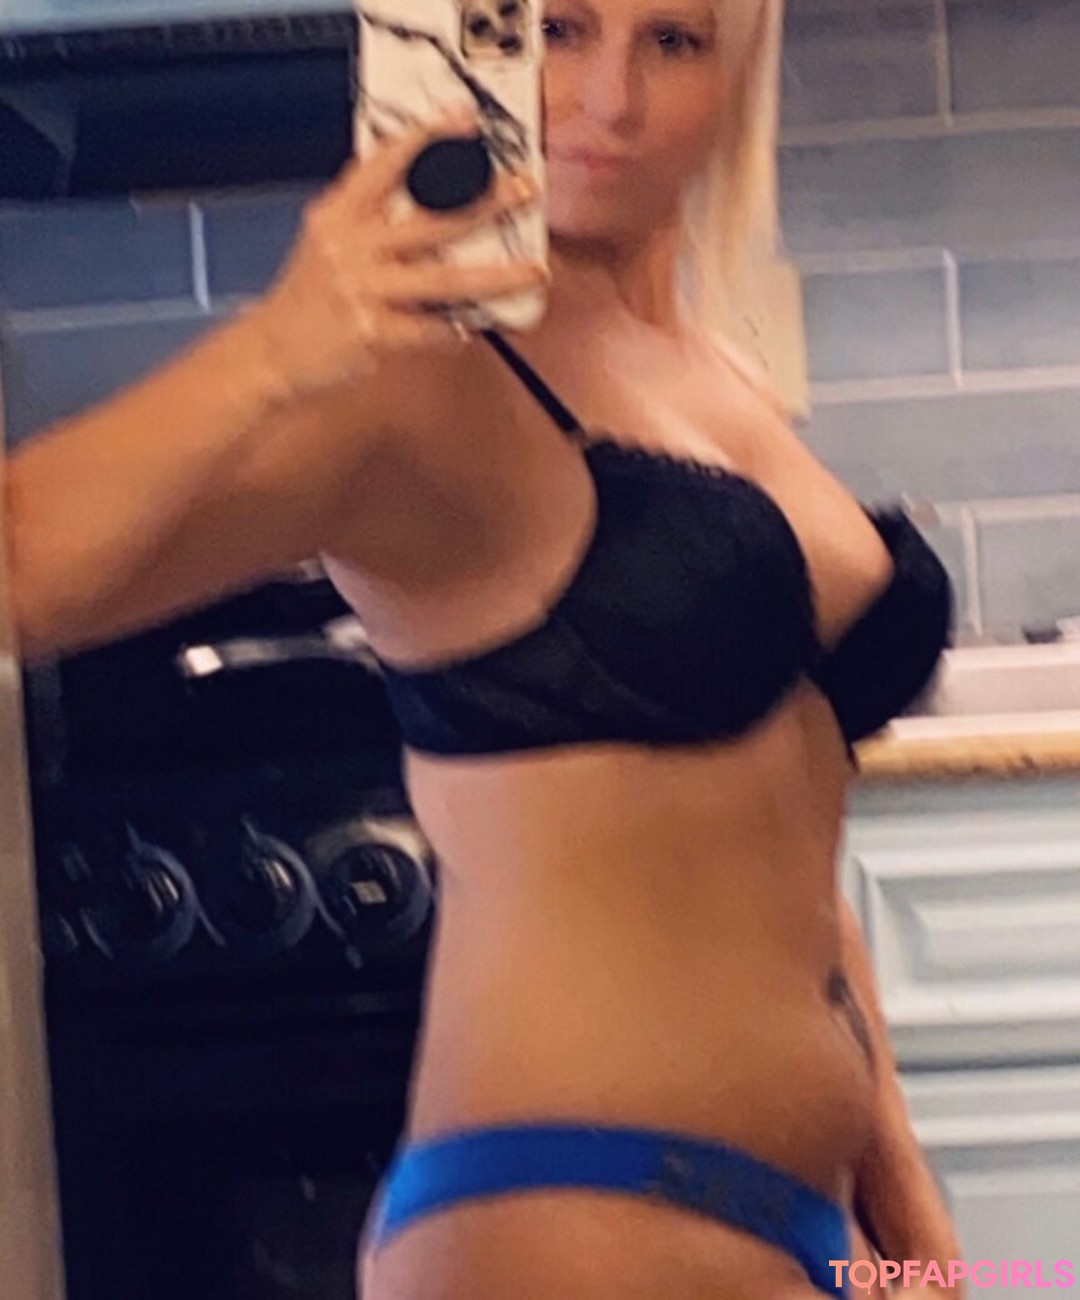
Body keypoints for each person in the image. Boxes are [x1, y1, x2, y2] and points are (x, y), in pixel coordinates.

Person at [4, 1, 966, 1295]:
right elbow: (20, 575)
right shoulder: (421, 379)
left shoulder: (714, 373)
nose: (611, 99)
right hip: (562, 1223)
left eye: (673, 41)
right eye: (559, 29)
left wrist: (906, 1202)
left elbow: (774, 825)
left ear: (739, 73)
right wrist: (279, 345)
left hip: (807, 1225)